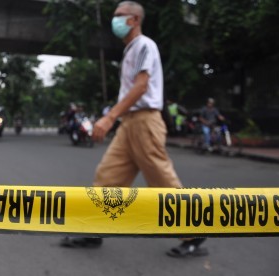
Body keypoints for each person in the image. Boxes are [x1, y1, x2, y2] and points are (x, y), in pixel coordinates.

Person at [60, 1, 208, 257]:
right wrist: (117, 118)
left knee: (161, 181)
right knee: (108, 177)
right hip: (130, 123)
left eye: (120, 15)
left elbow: (140, 87)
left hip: (144, 121)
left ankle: (194, 233)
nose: (114, 20)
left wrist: (109, 118)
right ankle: (95, 229)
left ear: (135, 19)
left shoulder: (143, 45)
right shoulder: (130, 51)